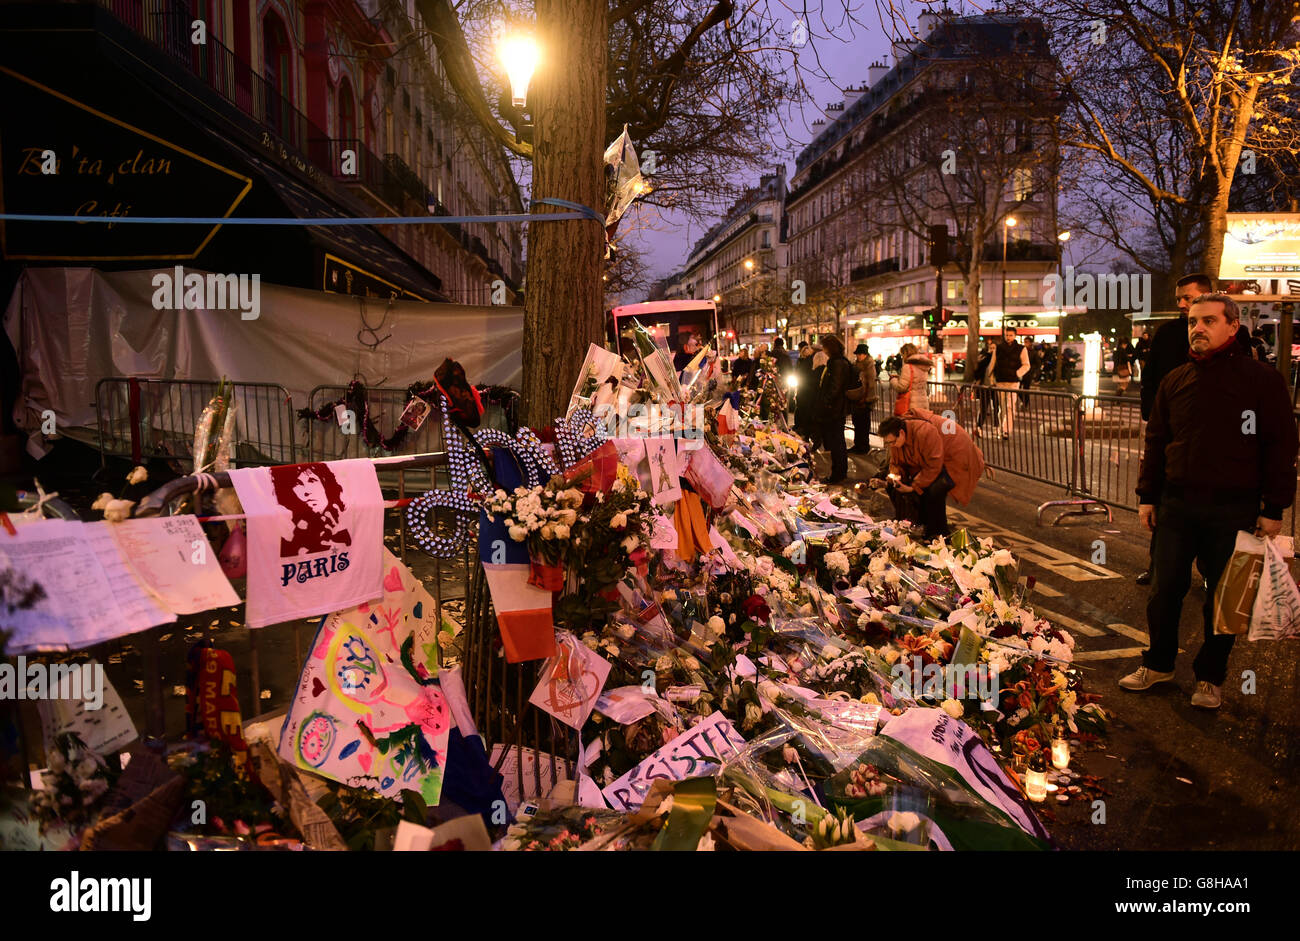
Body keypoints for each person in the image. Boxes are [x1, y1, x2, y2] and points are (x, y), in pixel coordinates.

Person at [1122, 293, 1298, 709]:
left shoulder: (1261, 380)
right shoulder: (1176, 379)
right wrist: (1148, 497)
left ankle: (1210, 678)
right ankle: (1159, 664)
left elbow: (1280, 447)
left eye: (1208, 321)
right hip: (1177, 506)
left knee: (1223, 599)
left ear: (1232, 327)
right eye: (1192, 322)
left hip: (1233, 509)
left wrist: (1273, 508)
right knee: (1164, 592)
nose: (1197, 328)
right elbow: (1158, 441)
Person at [1135, 272, 1214, 584]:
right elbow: (1151, 377)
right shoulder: (1168, 333)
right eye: (1179, 299)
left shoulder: (1229, 336)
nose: (1181, 304)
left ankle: (1210, 571)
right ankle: (1160, 567)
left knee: (1208, 505)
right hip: (1170, 433)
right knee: (1166, 503)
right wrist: (1152, 414)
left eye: (1188, 298)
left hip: (1209, 437)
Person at [872, 411, 986, 539]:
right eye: (888, 443)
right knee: (898, 486)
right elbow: (896, 463)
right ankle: (916, 523)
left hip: (956, 457)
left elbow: (933, 466)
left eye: (892, 442)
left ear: (901, 434)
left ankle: (938, 533)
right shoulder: (896, 437)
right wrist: (896, 476)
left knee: (934, 490)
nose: (891, 446)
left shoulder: (924, 432)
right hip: (935, 458)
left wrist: (913, 487)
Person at [816, 335, 854, 484]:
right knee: (836, 442)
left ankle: (838, 473)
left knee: (837, 442)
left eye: (825, 347)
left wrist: (825, 403)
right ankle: (838, 472)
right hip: (834, 408)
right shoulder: (837, 362)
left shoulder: (837, 363)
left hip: (834, 410)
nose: (823, 350)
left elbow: (835, 387)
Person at [988, 325, 1030, 438]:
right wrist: (991, 378)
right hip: (1000, 381)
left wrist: (1017, 374)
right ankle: (1002, 428)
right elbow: (993, 363)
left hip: (1013, 382)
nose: (1008, 337)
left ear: (1015, 336)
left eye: (1010, 335)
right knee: (1002, 407)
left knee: (1010, 406)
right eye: (1006, 335)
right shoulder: (999, 348)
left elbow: (1026, 365)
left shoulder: (1021, 349)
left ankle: (1006, 430)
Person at [846, 342, 878, 453]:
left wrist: (865, 398)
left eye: (860, 354)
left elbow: (871, 384)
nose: (858, 356)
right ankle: (858, 444)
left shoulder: (869, 366)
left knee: (863, 424)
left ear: (865, 354)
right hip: (857, 397)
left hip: (865, 399)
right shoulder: (856, 365)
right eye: (857, 354)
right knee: (857, 423)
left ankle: (863, 446)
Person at [889, 343, 933, 415]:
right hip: (923, 403)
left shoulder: (908, 366)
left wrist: (893, 380)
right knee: (921, 425)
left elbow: (902, 387)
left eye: (902, 354)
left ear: (905, 353)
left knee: (911, 425)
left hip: (911, 405)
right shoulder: (923, 365)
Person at [970, 337, 1000, 437]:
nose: (992, 350)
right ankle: (979, 427)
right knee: (983, 407)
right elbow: (977, 372)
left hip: (996, 386)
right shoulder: (984, 358)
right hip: (985, 386)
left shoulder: (999, 359)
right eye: (990, 348)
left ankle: (996, 427)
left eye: (994, 348)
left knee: (996, 407)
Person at [793, 342, 820, 443]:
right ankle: (806, 432)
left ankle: (807, 433)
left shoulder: (809, 361)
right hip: (805, 390)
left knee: (806, 413)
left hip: (806, 390)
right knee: (804, 412)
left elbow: (803, 374)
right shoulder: (806, 361)